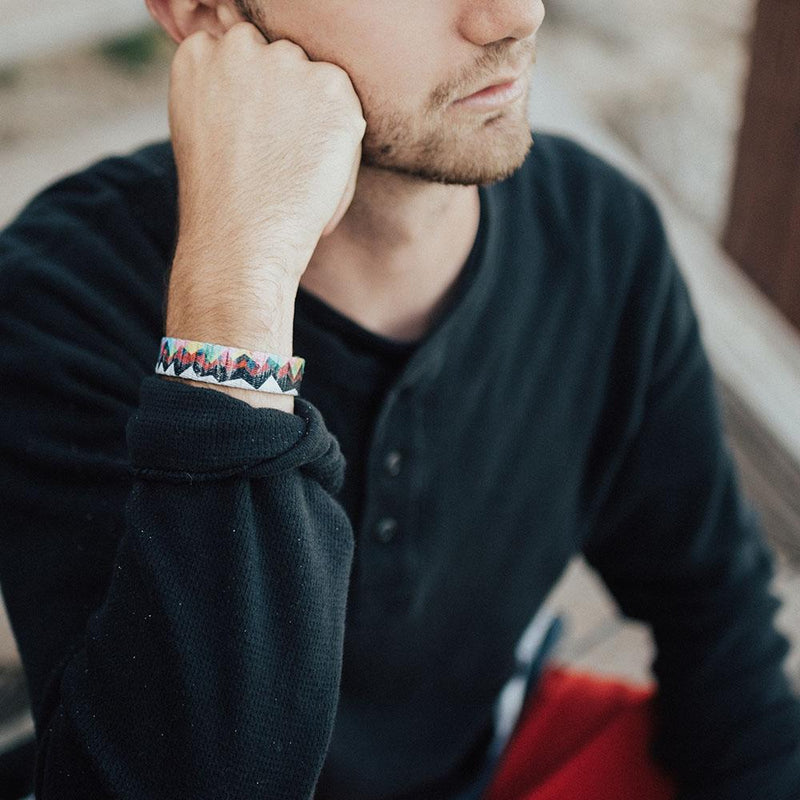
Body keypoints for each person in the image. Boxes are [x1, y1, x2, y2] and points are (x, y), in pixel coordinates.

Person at [0, 0, 798, 797]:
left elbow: (717, 623)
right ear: (204, 14)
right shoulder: (64, 298)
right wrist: (239, 289)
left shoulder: (598, 233)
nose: (517, 15)